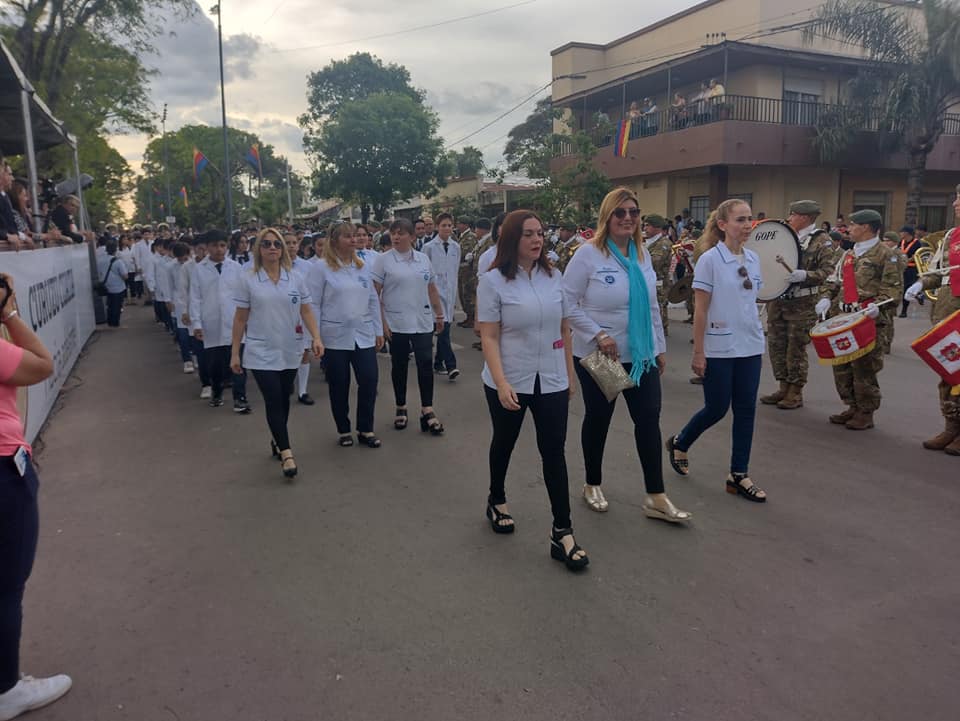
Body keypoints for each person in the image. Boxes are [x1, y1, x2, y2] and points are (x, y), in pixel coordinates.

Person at [564, 189, 690, 522]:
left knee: (648, 419)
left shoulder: (641, 254)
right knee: (599, 419)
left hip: (641, 354)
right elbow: (566, 303)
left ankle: (656, 496)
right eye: (620, 213)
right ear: (607, 217)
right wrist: (598, 334)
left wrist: (658, 348)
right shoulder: (588, 255)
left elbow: (651, 306)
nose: (628, 218)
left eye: (634, 212)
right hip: (602, 356)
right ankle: (592, 484)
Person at [477, 210, 588, 571]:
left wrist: (569, 374)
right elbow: (489, 336)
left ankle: (562, 531)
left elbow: (564, 328)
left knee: (554, 452)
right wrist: (502, 382)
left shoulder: (554, 277)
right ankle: (497, 498)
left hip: (551, 378)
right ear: (512, 238)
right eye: (529, 234)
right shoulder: (493, 281)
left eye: (540, 233)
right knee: (504, 441)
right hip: (510, 378)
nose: (538, 239)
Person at [0, 273, 72, 720]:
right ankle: (7, 689)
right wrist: (8, 313)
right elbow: (41, 365)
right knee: (7, 584)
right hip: (3, 469)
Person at [666, 199, 768, 503]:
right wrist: (699, 352)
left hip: (750, 345)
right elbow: (700, 310)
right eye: (740, 220)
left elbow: (752, 298)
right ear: (723, 225)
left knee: (746, 410)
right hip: (719, 346)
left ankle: (738, 474)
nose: (747, 225)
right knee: (717, 408)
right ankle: (681, 442)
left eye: (749, 219)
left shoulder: (753, 258)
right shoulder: (710, 260)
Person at [231, 228, 323, 480]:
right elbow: (240, 319)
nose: (272, 248)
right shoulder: (249, 279)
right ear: (258, 249)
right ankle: (286, 452)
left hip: (290, 348)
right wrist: (235, 353)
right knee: (272, 399)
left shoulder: (295, 278)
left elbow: (306, 311)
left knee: (284, 397)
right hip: (260, 350)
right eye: (267, 244)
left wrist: (315, 337)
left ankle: (277, 438)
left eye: (277, 244)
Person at [815, 209, 901, 430]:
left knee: (864, 367)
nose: (848, 229)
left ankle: (866, 411)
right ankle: (852, 405)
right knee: (842, 364)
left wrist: (877, 306)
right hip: (843, 318)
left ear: (866, 227)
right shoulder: (848, 254)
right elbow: (834, 280)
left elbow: (893, 290)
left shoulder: (886, 254)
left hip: (867, 319)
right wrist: (825, 297)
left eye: (853, 225)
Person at [309, 222, 384, 447]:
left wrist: (378, 330)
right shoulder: (321, 268)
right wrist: (315, 337)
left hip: (363, 333)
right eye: (347, 236)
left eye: (355, 236)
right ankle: (343, 429)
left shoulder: (362, 266)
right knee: (339, 385)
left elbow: (372, 299)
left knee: (369, 380)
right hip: (334, 337)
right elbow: (313, 304)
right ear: (334, 241)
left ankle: (365, 428)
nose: (354, 240)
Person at [759, 200, 839, 409]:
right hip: (779, 301)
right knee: (777, 345)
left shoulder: (821, 241)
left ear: (804, 217)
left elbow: (828, 272)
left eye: (793, 215)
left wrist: (806, 275)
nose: (789, 218)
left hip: (802, 303)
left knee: (795, 348)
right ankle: (783, 386)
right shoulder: (785, 236)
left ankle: (795, 392)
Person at [370, 218, 447, 435]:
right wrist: (381, 323)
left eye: (401, 233)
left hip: (422, 320)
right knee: (400, 365)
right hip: (396, 322)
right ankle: (401, 407)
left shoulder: (423, 259)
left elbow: (431, 288)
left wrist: (439, 313)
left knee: (425, 363)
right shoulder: (383, 260)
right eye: (393, 233)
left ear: (412, 237)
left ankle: (427, 409)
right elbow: (374, 294)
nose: (396, 237)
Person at [905, 184, 960, 454]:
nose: (956, 203)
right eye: (956, 198)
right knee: (948, 371)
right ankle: (951, 427)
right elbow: (938, 272)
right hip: (947, 314)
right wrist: (921, 283)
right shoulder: (951, 235)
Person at [191, 229, 249, 411]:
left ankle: (240, 397)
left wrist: (247, 320)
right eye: (215, 245)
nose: (219, 249)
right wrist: (197, 324)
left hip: (235, 321)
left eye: (223, 245)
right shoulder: (199, 270)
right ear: (207, 247)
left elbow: (244, 296)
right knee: (215, 364)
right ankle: (217, 392)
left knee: (238, 361)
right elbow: (195, 298)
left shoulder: (236, 268)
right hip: (211, 323)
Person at [422, 213, 461, 379]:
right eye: (443, 225)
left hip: (449, 293)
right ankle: (451, 365)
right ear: (437, 227)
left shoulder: (456, 247)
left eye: (449, 225)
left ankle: (438, 363)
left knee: (443, 331)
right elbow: (424, 272)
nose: (447, 228)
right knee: (442, 331)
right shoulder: (429, 247)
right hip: (434, 294)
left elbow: (455, 271)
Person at [284, 231, 316, 407]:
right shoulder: (275, 265)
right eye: (287, 243)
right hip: (283, 315)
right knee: (287, 351)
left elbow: (312, 292)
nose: (291, 246)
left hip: (302, 314)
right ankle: (287, 381)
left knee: (304, 351)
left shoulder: (307, 266)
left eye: (294, 243)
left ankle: (302, 391)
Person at [642, 214, 674, 337]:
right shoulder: (649, 242)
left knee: (658, 309)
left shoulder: (663, 243)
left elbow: (655, 262)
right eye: (644, 225)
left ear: (657, 227)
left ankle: (660, 333)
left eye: (647, 225)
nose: (644, 228)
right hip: (650, 281)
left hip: (659, 283)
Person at [97, 240, 128, 328]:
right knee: (117, 306)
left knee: (110, 305)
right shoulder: (118, 261)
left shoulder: (100, 260)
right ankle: (115, 323)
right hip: (118, 287)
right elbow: (125, 276)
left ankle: (110, 321)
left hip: (106, 286)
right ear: (115, 250)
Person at [456, 218, 479, 328]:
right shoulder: (462, 236)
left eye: (459, 224)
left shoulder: (470, 237)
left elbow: (464, 252)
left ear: (465, 225)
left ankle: (472, 318)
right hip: (462, 270)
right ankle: (468, 317)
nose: (458, 226)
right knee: (462, 293)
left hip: (467, 271)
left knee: (468, 294)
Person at [899, 226, 923, 316]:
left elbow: (916, 255)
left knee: (907, 288)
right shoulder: (901, 242)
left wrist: (906, 261)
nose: (900, 234)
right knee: (904, 288)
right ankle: (918, 294)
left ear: (907, 233)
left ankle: (904, 311)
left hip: (912, 269)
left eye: (901, 232)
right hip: (902, 268)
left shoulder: (917, 243)